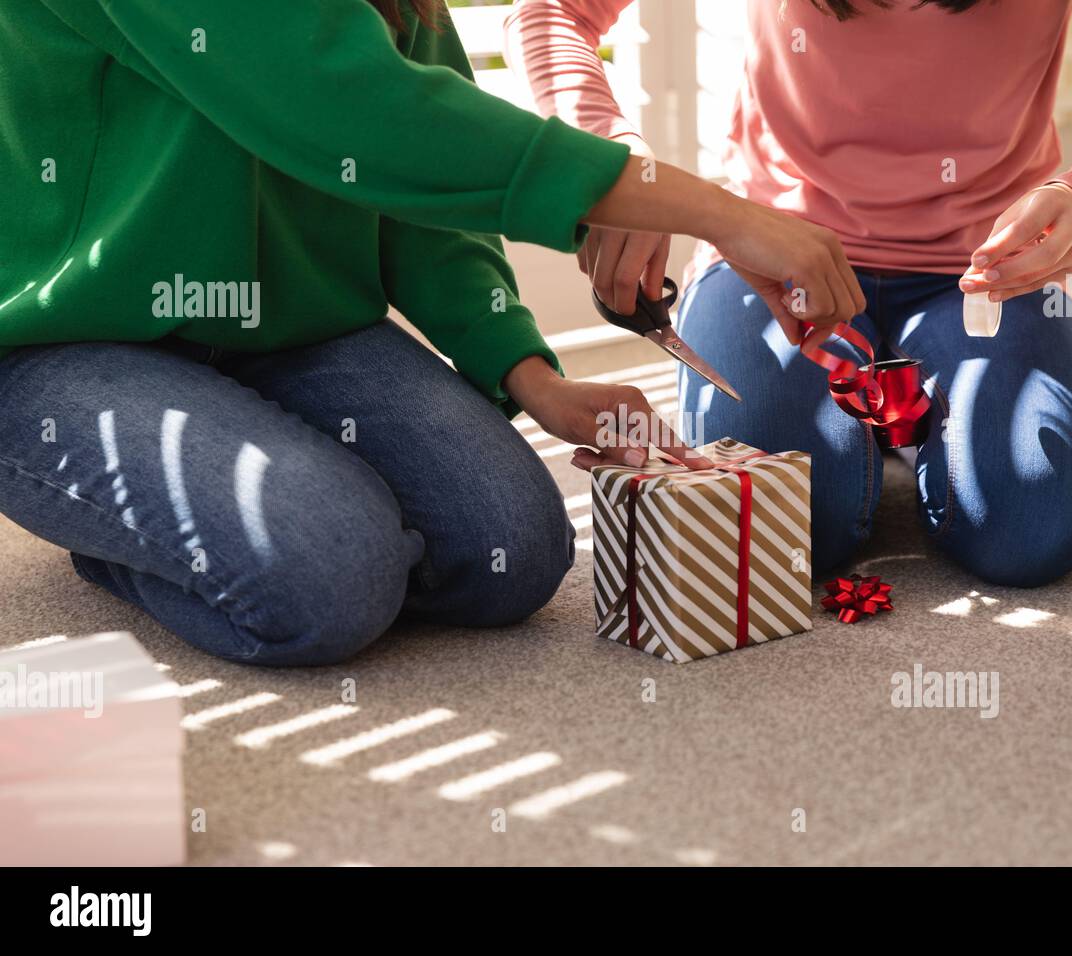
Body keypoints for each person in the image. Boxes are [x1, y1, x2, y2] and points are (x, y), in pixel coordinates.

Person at [0, 0, 863, 665]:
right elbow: (356, 111)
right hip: (75, 337)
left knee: (513, 555)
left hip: (295, 332)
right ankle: (112, 528)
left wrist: (533, 378)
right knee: (327, 579)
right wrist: (719, 214)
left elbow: (423, 203)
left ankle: (232, 498)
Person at [506, 0, 1072, 585]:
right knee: (788, 531)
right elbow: (549, 12)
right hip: (774, 259)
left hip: (983, 271)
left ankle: (901, 419)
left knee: (1033, 528)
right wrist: (615, 163)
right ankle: (891, 425)